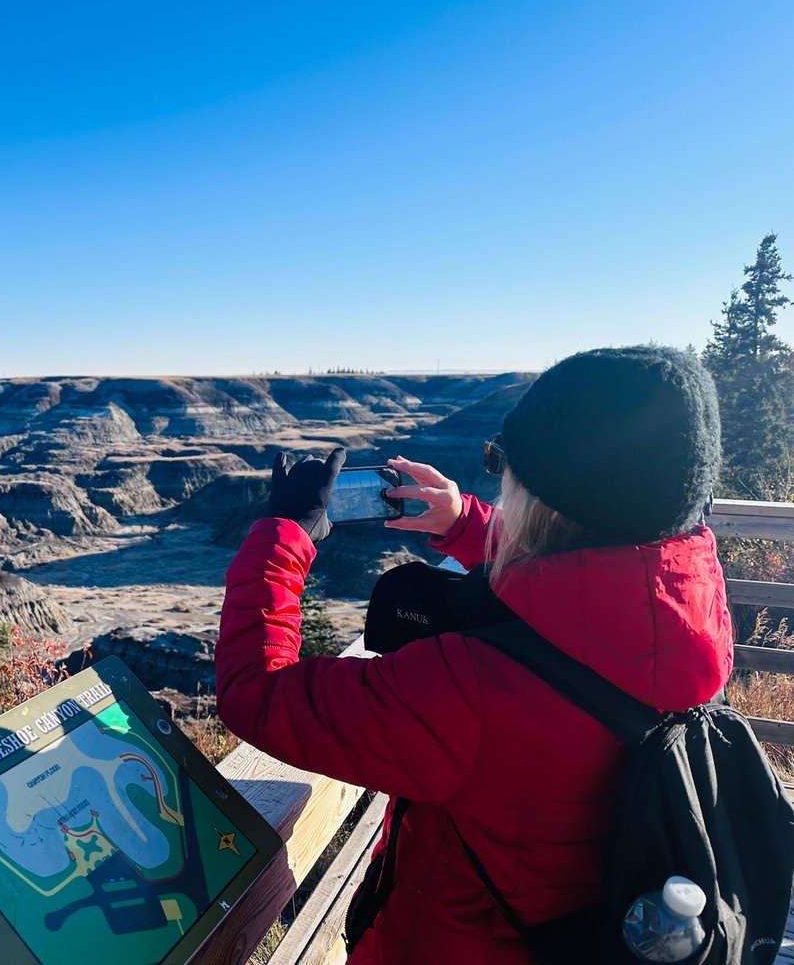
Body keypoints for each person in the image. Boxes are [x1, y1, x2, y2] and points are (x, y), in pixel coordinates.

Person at [215, 345, 732, 965]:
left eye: (502, 463)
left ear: (546, 496)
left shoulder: (470, 689)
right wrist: (463, 522)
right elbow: (582, 585)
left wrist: (285, 534)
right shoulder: (688, 612)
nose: (498, 476)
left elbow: (258, 690)